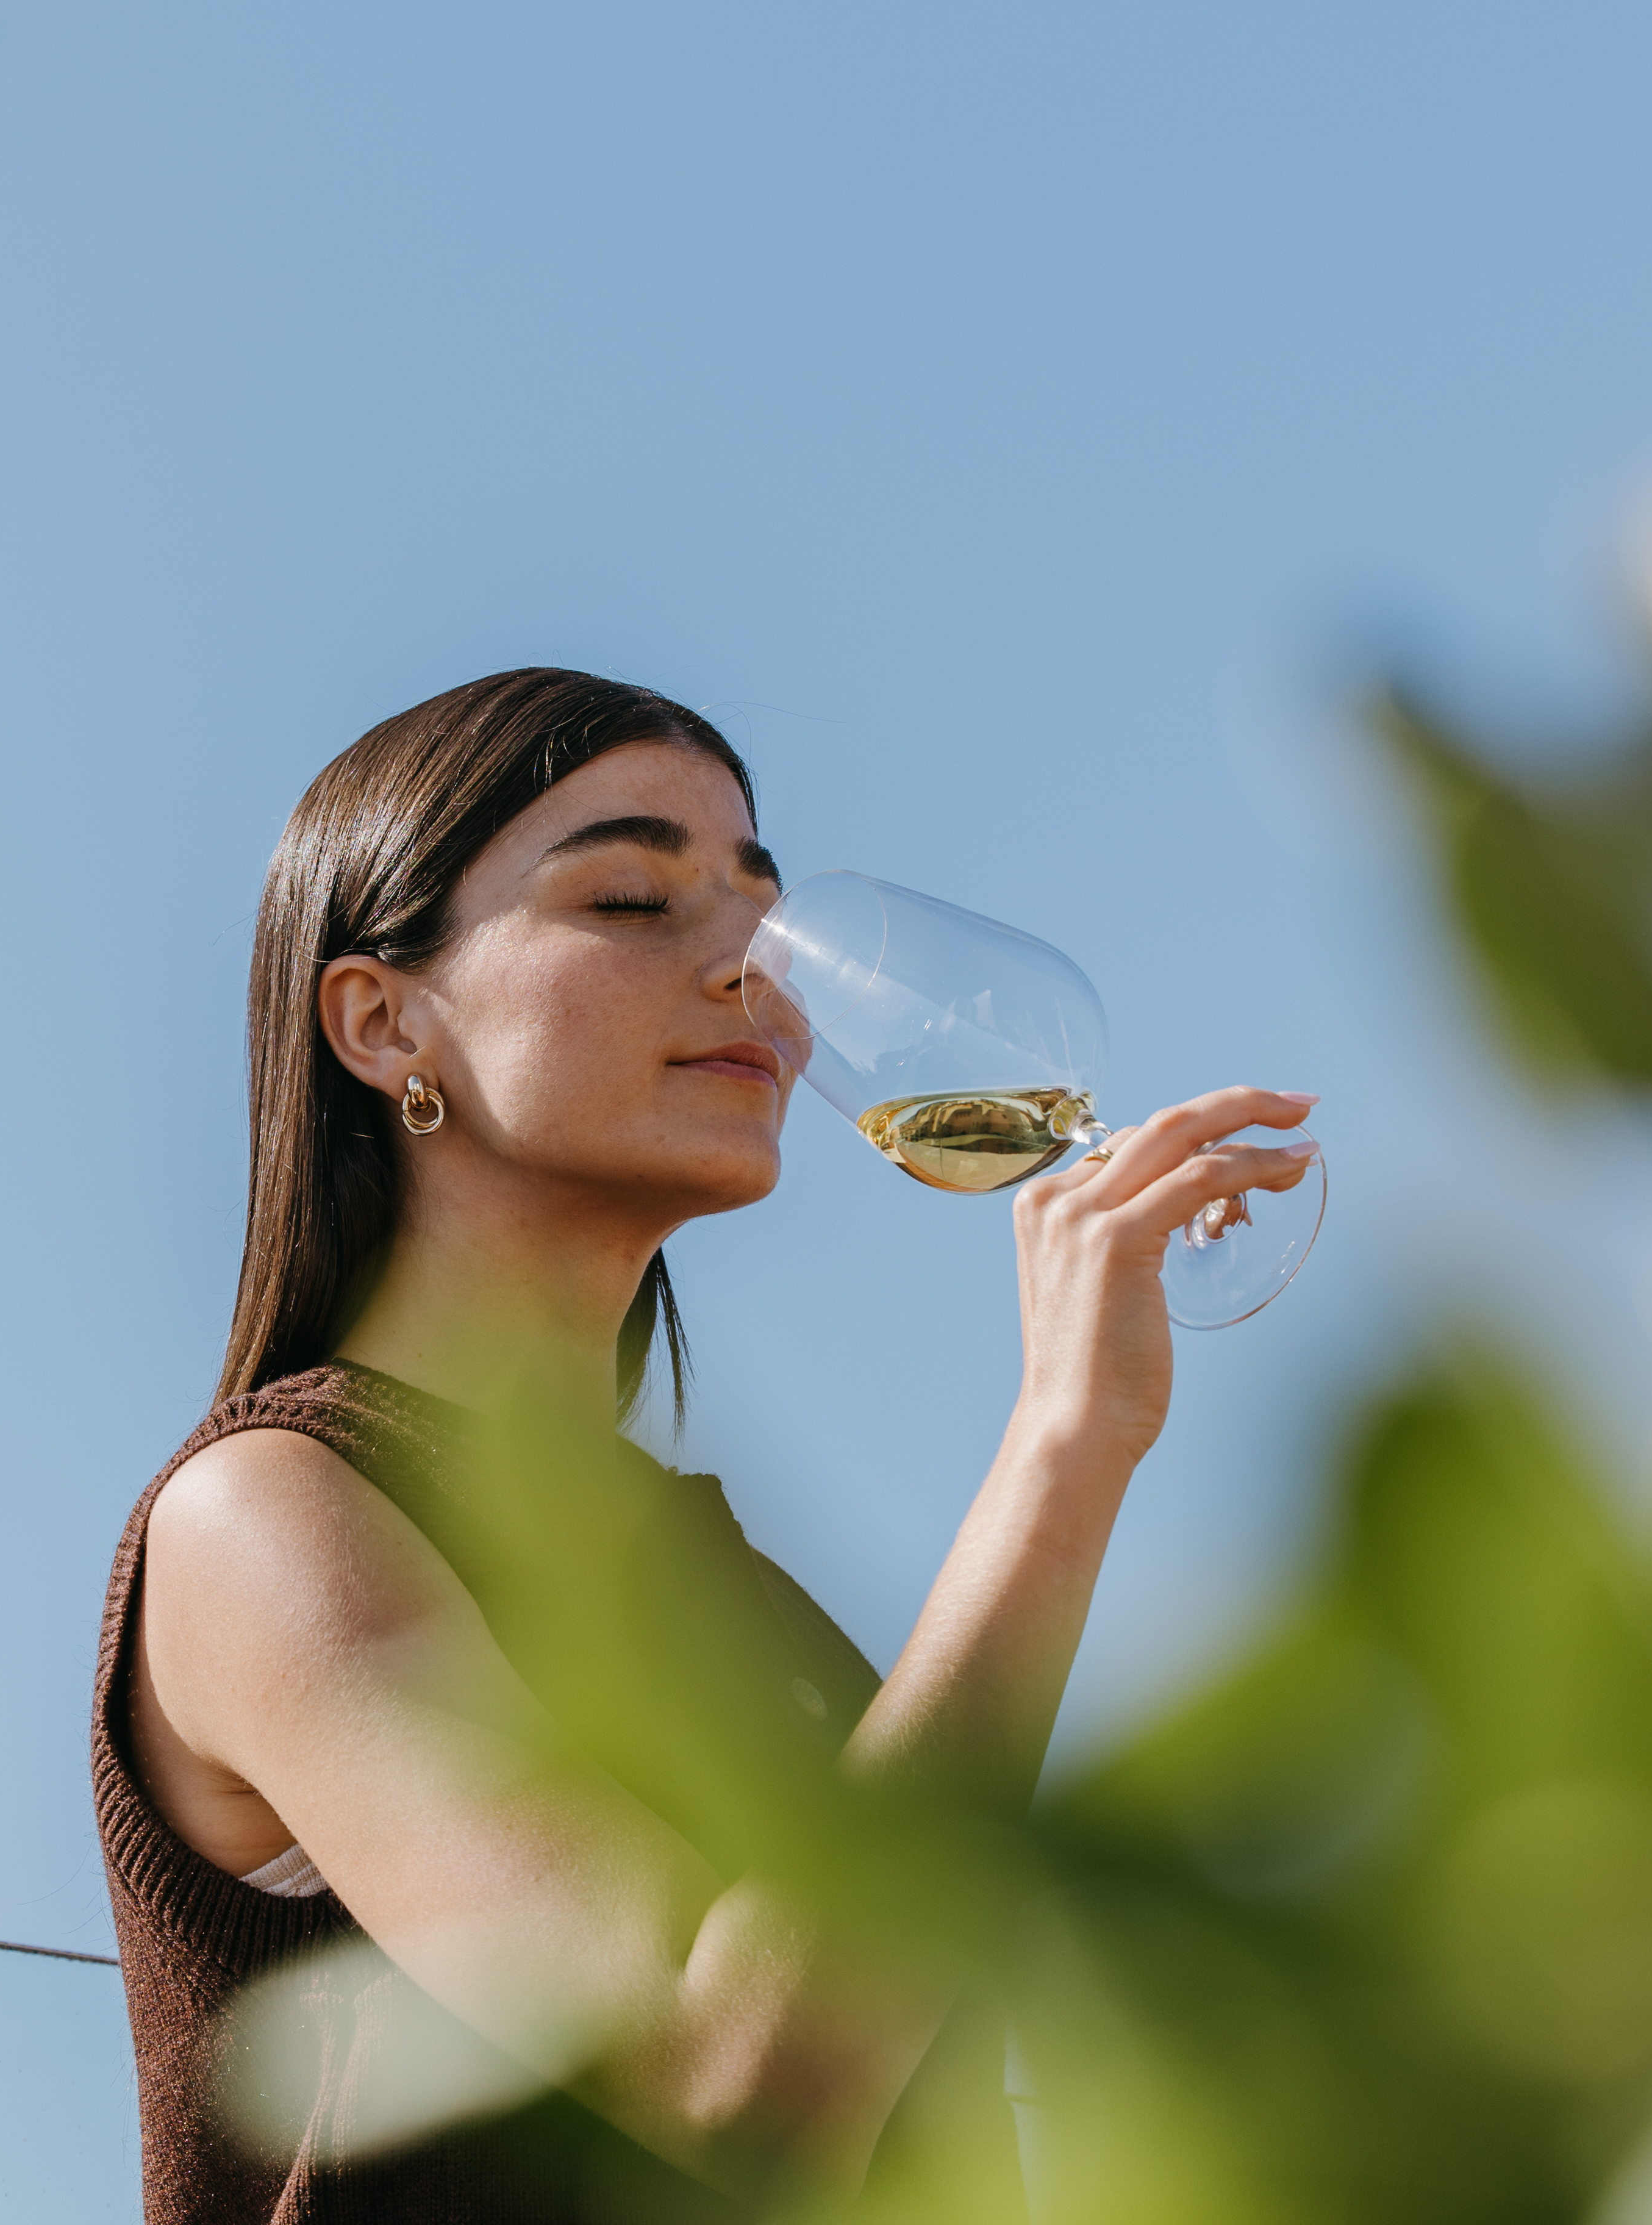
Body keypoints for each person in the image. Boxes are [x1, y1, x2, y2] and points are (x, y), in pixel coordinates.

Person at [90, 669, 1317, 2222]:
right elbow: (731, 2077)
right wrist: (1070, 1444)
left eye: (766, 909)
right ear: (381, 1019)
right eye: (629, 897)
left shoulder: (735, 1595)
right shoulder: (264, 1519)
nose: (759, 973)